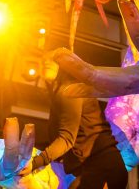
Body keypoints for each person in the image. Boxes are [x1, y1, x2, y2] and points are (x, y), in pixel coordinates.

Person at [20, 56, 127, 188]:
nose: (46, 61)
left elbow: (66, 139)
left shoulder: (69, 91)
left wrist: (36, 162)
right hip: (95, 166)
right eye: (44, 60)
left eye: (54, 59)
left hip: (104, 166)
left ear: (65, 65)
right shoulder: (61, 93)